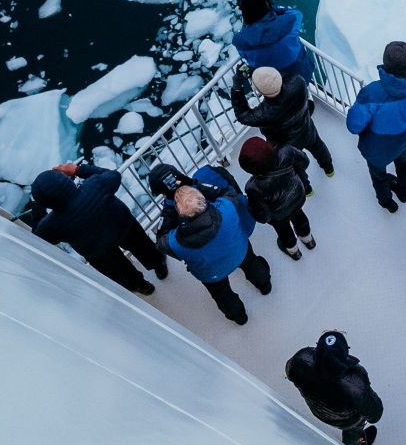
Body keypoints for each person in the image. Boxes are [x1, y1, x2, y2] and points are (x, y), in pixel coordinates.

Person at [21, 161, 168, 297]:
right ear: (65, 182)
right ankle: (159, 267)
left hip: (97, 251)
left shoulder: (51, 224)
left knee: (120, 271)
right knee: (143, 247)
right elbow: (113, 175)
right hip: (122, 225)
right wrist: (77, 169)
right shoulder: (95, 184)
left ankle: (142, 286)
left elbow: (38, 236)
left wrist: (37, 205)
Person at [160, 181, 273, 325]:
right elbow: (228, 192)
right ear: (203, 200)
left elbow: (160, 241)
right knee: (252, 264)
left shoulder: (176, 243)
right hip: (239, 251)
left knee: (223, 295)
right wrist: (197, 185)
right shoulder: (227, 209)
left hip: (212, 273)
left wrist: (169, 207)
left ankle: (240, 317)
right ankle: (264, 285)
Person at [345, 40, 406, 212]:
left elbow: (354, 125)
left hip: (377, 148)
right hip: (401, 141)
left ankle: (387, 203)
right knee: (404, 165)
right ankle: (404, 193)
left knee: (379, 176)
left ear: (385, 61)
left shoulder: (372, 92)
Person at [285, 331, 384, 445]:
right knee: (353, 432)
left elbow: (289, 373)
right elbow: (375, 413)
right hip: (347, 421)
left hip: (317, 410)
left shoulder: (300, 358)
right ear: (344, 354)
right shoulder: (356, 383)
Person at [231, 64, 335, 176]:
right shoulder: (298, 82)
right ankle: (329, 168)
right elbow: (281, 77)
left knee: (295, 165)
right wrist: (263, 75)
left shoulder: (264, 113)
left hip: (286, 143)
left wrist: (237, 88)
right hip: (306, 128)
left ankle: (307, 188)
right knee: (318, 147)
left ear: (260, 91)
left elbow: (242, 115)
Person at [239, 135, 317, 260]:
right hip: (297, 198)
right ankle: (308, 240)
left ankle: (294, 252)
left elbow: (261, 215)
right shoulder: (286, 151)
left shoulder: (252, 187)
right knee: (300, 217)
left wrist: (269, 219)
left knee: (284, 231)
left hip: (279, 215)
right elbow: (304, 162)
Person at [232, 0, 308, 85]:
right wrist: (273, 8)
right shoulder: (289, 21)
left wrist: (247, 21)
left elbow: (244, 54)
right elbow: (296, 13)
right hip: (301, 73)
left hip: (272, 83)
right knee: (301, 88)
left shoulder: (241, 41)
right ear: (267, 6)